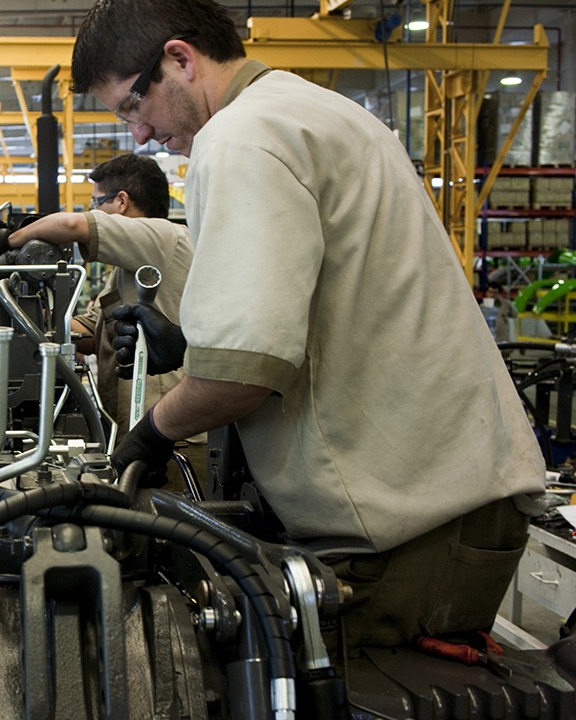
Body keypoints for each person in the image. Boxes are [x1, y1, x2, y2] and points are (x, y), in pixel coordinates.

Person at [71, 0, 546, 656]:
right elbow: (325, 303)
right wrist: (186, 342)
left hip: (407, 526)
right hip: (451, 501)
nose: (140, 136)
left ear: (178, 59)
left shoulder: (239, 137)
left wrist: (149, 436)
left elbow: (238, 380)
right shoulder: (312, 110)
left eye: (130, 106)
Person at [7, 153, 206, 477]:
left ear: (122, 201)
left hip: (173, 437)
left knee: (164, 523)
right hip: (142, 429)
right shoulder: (130, 264)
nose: (93, 210)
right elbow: (91, 331)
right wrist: (34, 321)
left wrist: (5, 242)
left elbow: (70, 224)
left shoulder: (163, 237)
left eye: (96, 202)